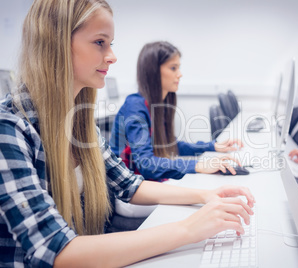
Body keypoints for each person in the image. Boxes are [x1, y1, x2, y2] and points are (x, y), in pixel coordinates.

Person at [0, 1, 255, 267]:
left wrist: (206, 196)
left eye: (111, 44)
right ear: (56, 43)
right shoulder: (9, 128)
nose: (112, 56)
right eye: (100, 42)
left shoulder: (80, 122)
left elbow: (130, 185)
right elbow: (54, 251)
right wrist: (189, 229)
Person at [109, 41, 244, 181]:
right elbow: (147, 164)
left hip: (147, 184)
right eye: (173, 68)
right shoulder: (135, 107)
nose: (180, 74)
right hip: (129, 192)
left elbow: (170, 144)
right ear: (153, 71)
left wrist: (212, 146)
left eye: (178, 68)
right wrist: (199, 165)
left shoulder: (158, 104)